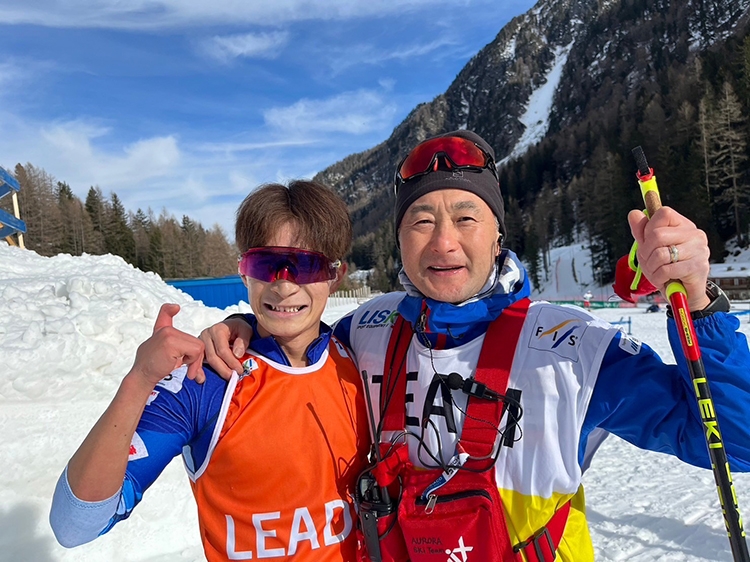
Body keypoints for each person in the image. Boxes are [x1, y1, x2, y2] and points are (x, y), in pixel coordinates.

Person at [200, 130, 750, 561]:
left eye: (467, 217)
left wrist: (699, 303)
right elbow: (295, 329)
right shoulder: (367, 330)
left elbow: (736, 440)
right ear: (398, 239)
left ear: (497, 233)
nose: (444, 242)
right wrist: (245, 324)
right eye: (421, 220)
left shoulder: (571, 348)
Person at [49, 180, 370, 561]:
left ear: (336, 275)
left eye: (305, 265)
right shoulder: (208, 379)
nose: (283, 286)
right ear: (243, 272)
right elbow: (74, 525)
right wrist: (138, 382)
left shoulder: (360, 355)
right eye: (266, 264)